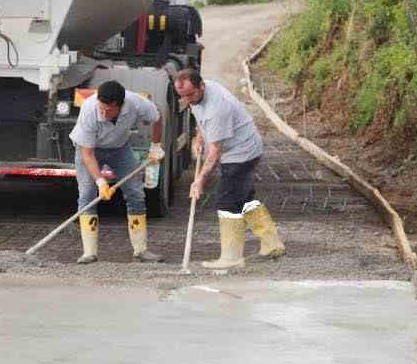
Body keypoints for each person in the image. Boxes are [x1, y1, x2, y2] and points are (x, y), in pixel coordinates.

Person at [174, 67, 286, 269]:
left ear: (201, 86)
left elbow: (215, 153)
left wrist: (199, 180)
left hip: (241, 153)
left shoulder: (218, 108)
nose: (187, 100)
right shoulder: (199, 95)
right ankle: (272, 244)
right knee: (245, 198)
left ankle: (232, 257)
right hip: (239, 148)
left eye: (190, 95)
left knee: (227, 201)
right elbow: (200, 117)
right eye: (183, 96)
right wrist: (199, 137)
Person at [70, 79, 165, 264]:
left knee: (136, 193)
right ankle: (89, 253)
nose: (104, 113)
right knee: (87, 194)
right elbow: (87, 154)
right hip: (90, 149)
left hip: (120, 148)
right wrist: (101, 182)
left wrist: (155, 146)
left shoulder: (136, 103)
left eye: (108, 110)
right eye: (102, 109)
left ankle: (141, 250)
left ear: (119, 106)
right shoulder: (89, 109)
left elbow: (157, 116)